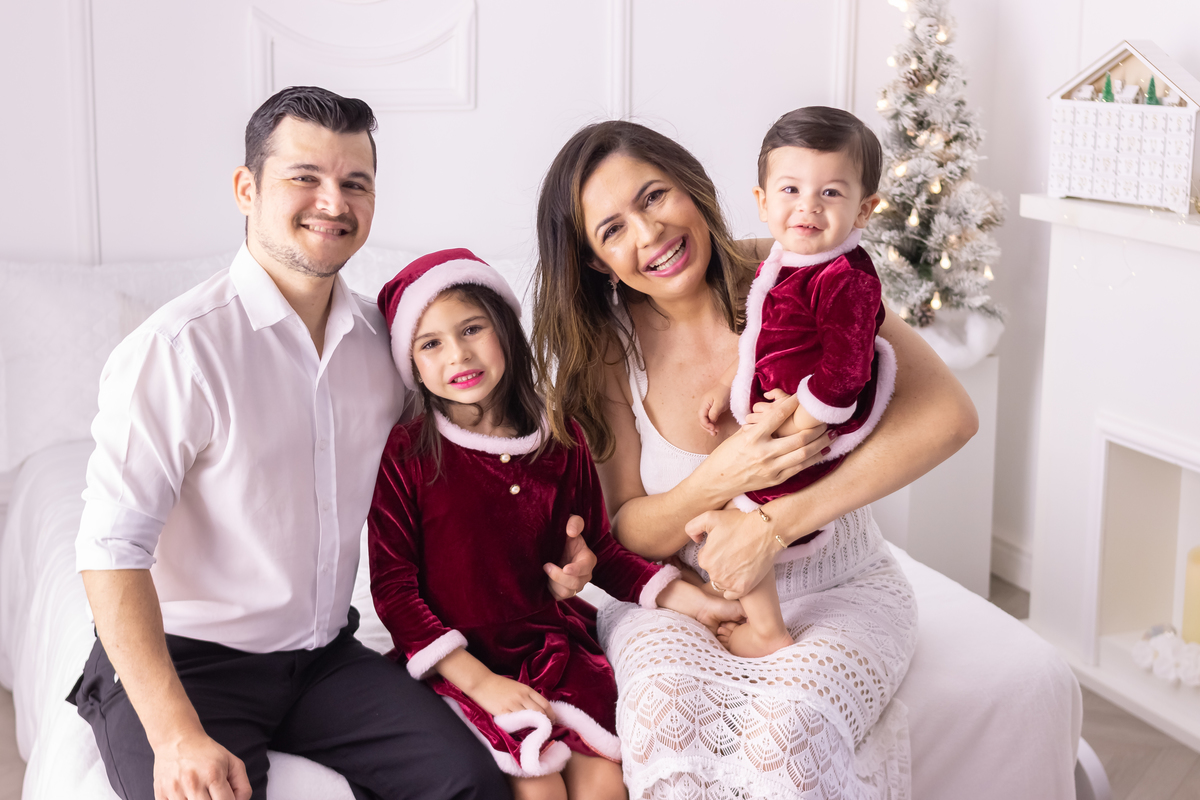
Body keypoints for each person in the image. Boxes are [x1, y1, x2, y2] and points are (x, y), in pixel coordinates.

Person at [71, 86, 595, 800]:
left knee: (471, 782)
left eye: (355, 183)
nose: (333, 201)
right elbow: (110, 554)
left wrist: (557, 549)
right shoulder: (176, 351)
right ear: (246, 188)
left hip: (322, 660)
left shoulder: (388, 346)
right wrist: (175, 735)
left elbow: (470, 463)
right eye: (304, 178)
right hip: (187, 662)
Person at [530, 120, 977, 798]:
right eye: (612, 229)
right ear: (596, 260)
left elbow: (950, 415)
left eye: (654, 197)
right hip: (689, 606)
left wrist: (773, 525)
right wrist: (725, 476)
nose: (648, 235)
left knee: (787, 736)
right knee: (666, 725)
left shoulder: (796, 268)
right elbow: (630, 527)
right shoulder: (606, 354)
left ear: (695, 189)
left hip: (837, 586)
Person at [368, 249, 742, 800]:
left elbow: (605, 554)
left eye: (472, 329)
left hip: (547, 648)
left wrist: (702, 604)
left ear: (504, 331)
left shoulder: (559, 437)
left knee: (605, 782)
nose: (459, 354)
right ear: (413, 363)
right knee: (538, 787)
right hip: (459, 661)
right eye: (432, 344)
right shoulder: (406, 455)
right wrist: (481, 683)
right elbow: (394, 591)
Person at [688, 106, 897, 658]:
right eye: (790, 189)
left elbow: (846, 372)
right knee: (736, 503)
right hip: (787, 407)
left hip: (818, 421)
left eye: (831, 193)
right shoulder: (783, 260)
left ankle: (767, 630)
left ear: (865, 209)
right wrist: (730, 386)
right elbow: (761, 338)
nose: (807, 206)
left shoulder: (844, 277)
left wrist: (798, 426)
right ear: (762, 200)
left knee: (743, 516)